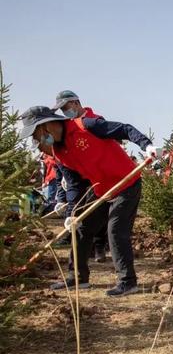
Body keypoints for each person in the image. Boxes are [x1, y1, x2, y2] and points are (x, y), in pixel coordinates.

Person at [18, 106, 158, 297]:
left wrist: (146, 145)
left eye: (36, 134)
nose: (37, 140)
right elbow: (75, 185)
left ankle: (128, 282)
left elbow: (124, 129)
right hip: (101, 190)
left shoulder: (86, 125)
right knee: (81, 228)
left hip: (126, 183)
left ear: (46, 126)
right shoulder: (59, 153)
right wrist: (71, 215)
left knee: (115, 230)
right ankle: (77, 277)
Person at [53, 90, 109, 261]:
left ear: (76, 103)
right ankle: (87, 249)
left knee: (99, 213)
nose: (65, 112)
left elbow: (106, 148)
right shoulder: (67, 126)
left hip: (99, 175)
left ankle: (100, 247)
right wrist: (66, 175)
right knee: (82, 213)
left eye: (66, 107)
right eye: (62, 110)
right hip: (80, 176)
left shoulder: (96, 120)